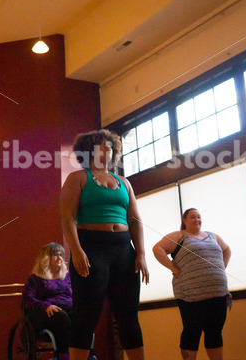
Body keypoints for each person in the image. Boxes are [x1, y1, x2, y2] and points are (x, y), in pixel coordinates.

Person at [60, 129, 149, 360]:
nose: (107, 147)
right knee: (86, 316)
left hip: (123, 251)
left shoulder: (124, 183)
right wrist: (77, 250)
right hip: (91, 249)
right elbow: (67, 217)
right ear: (89, 151)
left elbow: (135, 220)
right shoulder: (78, 178)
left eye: (110, 145)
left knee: (128, 316)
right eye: (102, 144)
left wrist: (141, 253)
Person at [153, 208, 231, 360]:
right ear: (184, 220)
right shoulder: (179, 236)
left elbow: (227, 250)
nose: (197, 220)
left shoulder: (213, 236)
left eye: (199, 217)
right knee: (192, 332)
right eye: (193, 217)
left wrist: (221, 268)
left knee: (215, 332)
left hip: (218, 294)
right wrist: (173, 269)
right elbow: (157, 248)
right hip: (190, 296)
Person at [22, 243, 72, 360]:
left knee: (81, 316)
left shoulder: (67, 276)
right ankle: (63, 355)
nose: (60, 258)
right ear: (46, 258)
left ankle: (87, 354)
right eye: (55, 255)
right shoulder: (35, 279)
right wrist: (46, 306)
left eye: (61, 255)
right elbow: (28, 300)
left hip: (67, 309)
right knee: (60, 315)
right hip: (43, 313)